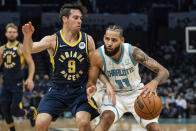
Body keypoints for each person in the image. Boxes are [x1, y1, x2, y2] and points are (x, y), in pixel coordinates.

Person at [22, 3, 114, 131]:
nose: (79, 21)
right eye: (75, 18)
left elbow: (95, 67)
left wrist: (108, 84)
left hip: (79, 92)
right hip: (57, 91)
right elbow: (29, 49)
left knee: (83, 123)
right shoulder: (53, 40)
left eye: (80, 18)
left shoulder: (88, 40)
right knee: (40, 123)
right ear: (65, 19)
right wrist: (27, 37)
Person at [87, 25, 170, 131]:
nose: (109, 43)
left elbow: (164, 72)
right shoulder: (97, 55)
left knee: (154, 128)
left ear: (122, 40)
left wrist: (155, 82)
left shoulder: (133, 52)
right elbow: (91, 82)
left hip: (136, 93)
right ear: (103, 37)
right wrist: (91, 87)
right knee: (106, 118)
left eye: (114, 40)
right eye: (107, 39)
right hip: (114, 94)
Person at [0, 23, 36, 131]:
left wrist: (29, 78)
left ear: (17, 34)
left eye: (14, 32)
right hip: (6, 84)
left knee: (15, 110)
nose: (11, 34)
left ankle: (30, 112)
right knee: (4, 109)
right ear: (6, 34)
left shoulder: (21, 47)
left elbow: (31, 63)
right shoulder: (2, 49)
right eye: (9, 32)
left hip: (18, 84)